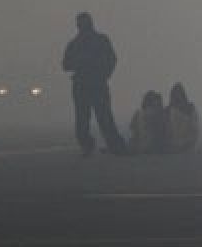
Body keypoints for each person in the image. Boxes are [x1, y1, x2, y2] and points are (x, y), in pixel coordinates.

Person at [61, 12, 127, 156]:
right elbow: (66, 64)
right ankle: (108, 145)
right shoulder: (85, 42)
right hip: (90, 84)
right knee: (91, 117)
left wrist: (103, 73)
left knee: (95, 117)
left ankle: (98, 145)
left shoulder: (85, 43)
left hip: (93, 83)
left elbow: (111, 59)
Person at [129, 90, 168, 154]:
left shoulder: (138, 114)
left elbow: (134, 132)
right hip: (152, 147)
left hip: (141, 146)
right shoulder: (158, 114)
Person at [165, 82, 200, 153]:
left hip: (186, 143)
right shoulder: (169, 111)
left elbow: (194, 128)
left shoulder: (189, 109)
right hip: (181, 144)